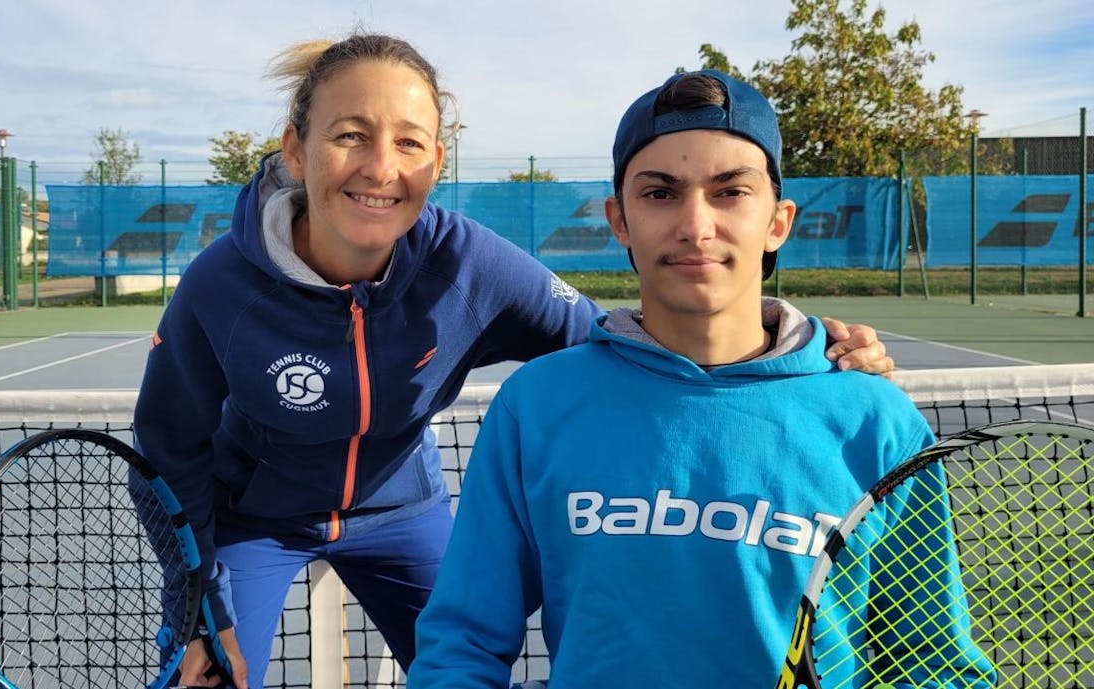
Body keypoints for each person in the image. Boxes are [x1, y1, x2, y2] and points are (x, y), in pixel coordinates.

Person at [133, 34, 894, 688]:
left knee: (454, 648)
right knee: (207, 674)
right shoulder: (221, 283)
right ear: (296, 149)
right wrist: (198, 607)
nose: (379, 167)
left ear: (435, 160)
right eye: (349, 136)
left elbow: (619, 338)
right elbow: (168, 448)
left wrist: (800, 356)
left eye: (408, 142)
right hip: (254, 520)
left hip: (402, 513)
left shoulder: (469, 264)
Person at [407, 70, 994, 688]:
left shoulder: (876, 422)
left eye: (730, 191)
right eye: (660, 193)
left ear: (778, 221)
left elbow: (931, 662)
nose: (695, 225)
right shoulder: (537, 404)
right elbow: (462, 643)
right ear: (620, 220)